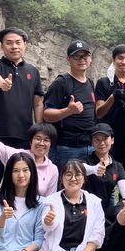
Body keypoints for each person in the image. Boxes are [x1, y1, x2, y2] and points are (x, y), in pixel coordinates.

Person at [0, 27, 44, 194]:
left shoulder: (33, 71)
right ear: (2, 46)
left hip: (23, 137)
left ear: (25, 45)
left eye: (18, 42)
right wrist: (2, 83)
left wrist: (40, 130)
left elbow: (38, 103)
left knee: (19, 184)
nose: (14, 46)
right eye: (9, 43)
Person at [43, 40, 97, 171]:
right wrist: (68, 110)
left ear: (90, 58)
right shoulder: (61, 83)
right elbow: (47, 114)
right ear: (68, 59)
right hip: (66, 147)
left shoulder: (90, 83)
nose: (81, 59)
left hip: (89, 146)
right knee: (64, 181)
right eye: (76, 56)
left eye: (85, 56)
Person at [95, 45, 125, 172]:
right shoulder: (103, 82)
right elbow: (99, 113)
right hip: (105, 139)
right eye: (120, 58)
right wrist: (113, 97)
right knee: (105, 174)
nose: (124, 62)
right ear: (114, 60)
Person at [84, 123, 125, 210]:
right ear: (92, 143)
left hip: (107, 210)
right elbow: (78, 169)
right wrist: (93, 169)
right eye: (97, 139)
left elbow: (124, 193)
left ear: (112, 140)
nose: (102, 143)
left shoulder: (118, 166)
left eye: (105, 138)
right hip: (86, 208)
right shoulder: (85, 160)